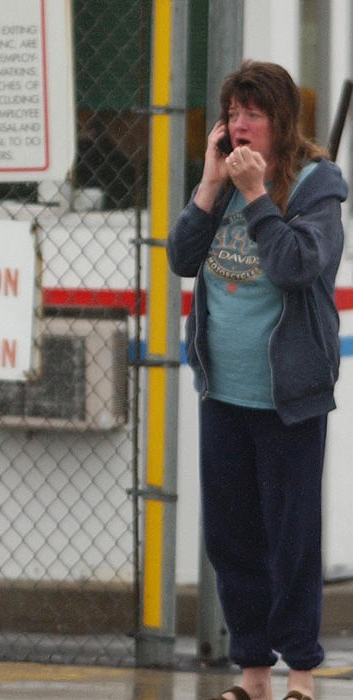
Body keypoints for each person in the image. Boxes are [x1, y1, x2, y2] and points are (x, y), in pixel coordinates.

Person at [168, 61, 347, 700]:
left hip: (288, 396)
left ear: (280, 122)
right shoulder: (224, 178)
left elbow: (300, 265)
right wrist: (210, 186)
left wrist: (255, 198)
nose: (240, 127)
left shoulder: (318, 185)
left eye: (253, 115)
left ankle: (299, 672)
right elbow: (183, 259)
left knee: (290, 539)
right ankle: (251, 673)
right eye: (233, 114)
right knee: (231, 536)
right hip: (225, 390)